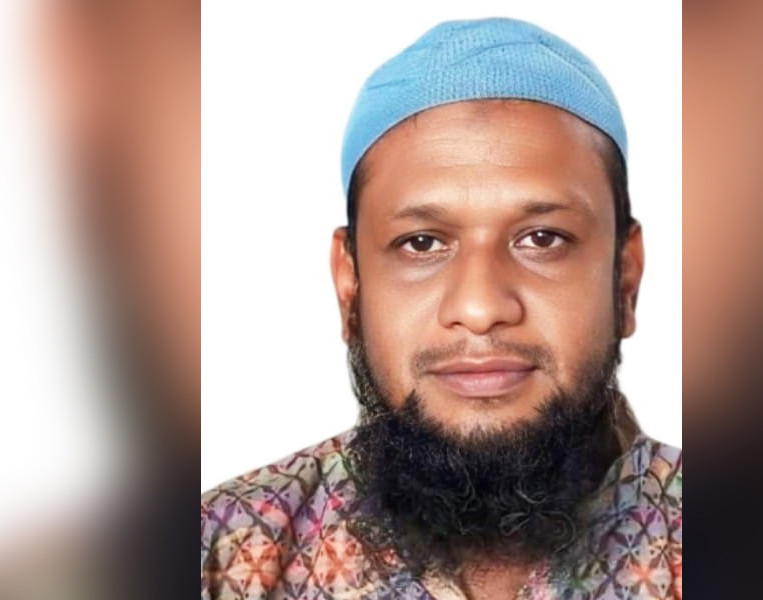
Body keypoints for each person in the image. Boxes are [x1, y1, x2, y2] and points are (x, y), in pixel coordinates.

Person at [201, 17, 681, 600]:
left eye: (542, 239)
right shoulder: (218, 556)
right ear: (349, 287)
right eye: (421, 243)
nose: (479, 308)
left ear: (625, 277)